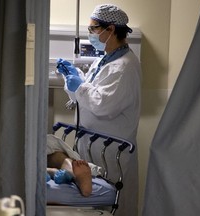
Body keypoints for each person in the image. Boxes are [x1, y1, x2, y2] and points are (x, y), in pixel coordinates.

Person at [56, 4, 141, 216]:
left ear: (110, 29)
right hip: (93, 145)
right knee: (91, 204)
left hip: (111, 152)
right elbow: (86, 94)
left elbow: (104, 105)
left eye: (93, 29)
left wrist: (80, 86)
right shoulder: (103, 60)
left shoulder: (124, 67)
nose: (90, 34)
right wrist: (71, 78)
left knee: (110, 205)